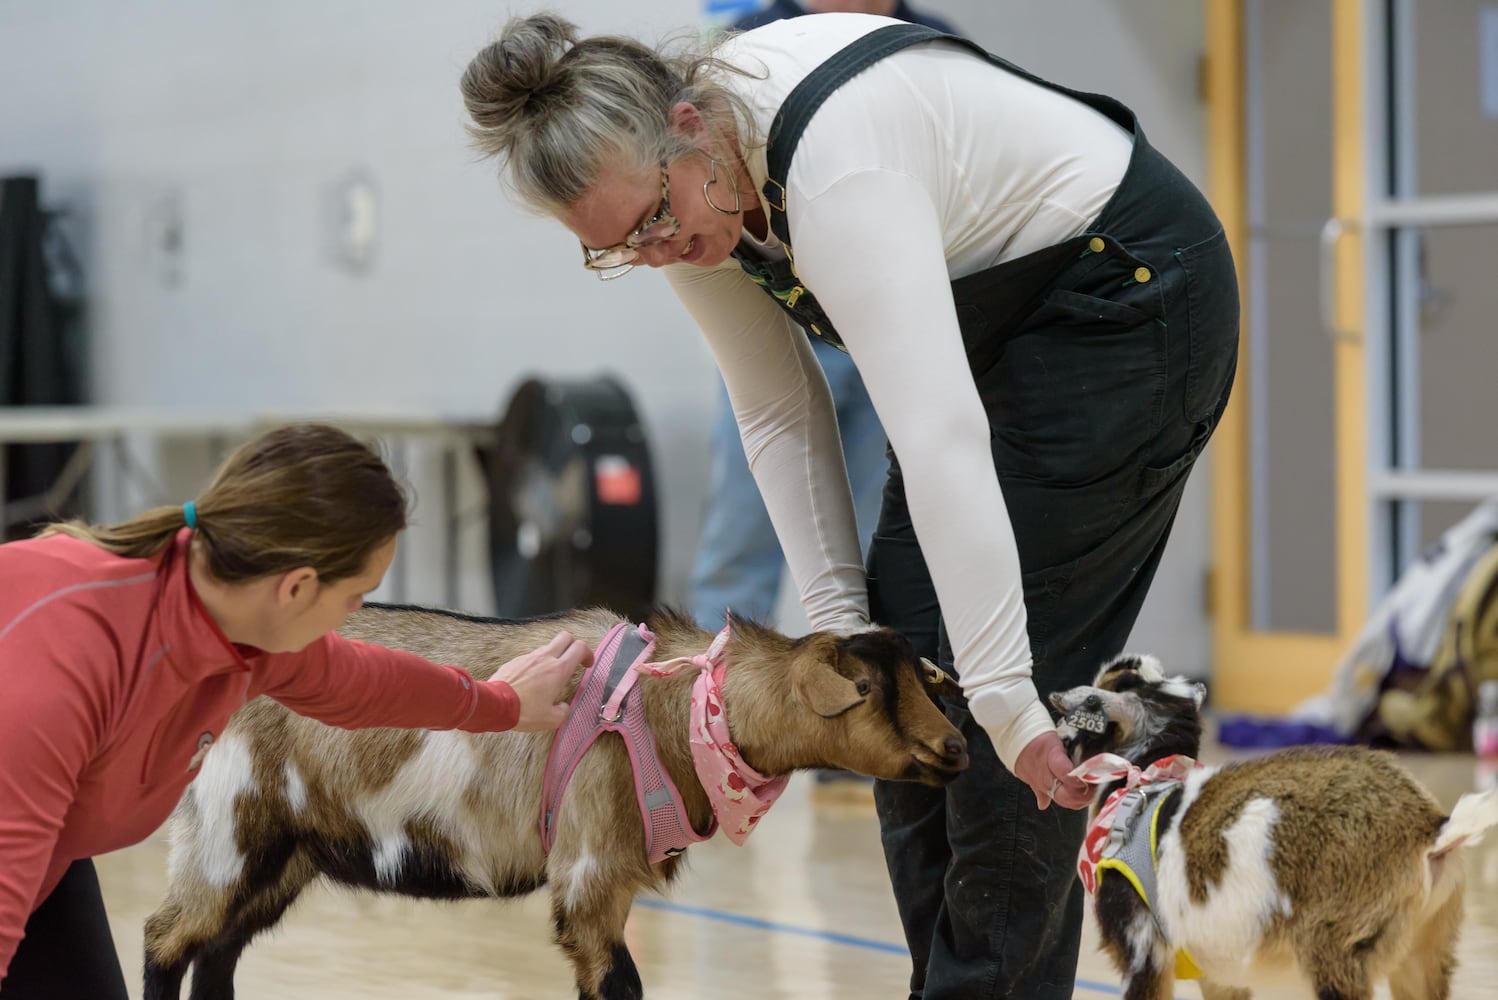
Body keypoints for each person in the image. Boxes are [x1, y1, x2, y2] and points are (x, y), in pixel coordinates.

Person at [460, 11, 1239, 998]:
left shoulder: (835, 168)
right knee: (898, 697)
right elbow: (781, 414)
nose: (655, 253)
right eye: (617, 249)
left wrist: (1007, 701)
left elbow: (939, 435)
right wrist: (841, 638)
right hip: (1007, 336)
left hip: (1129, 308)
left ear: (690, 126)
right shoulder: (681, 194)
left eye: (653, 222)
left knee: (1010, 721)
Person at [0, 423, 590, 998]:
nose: (359, 613)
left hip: (46, 863)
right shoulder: (61, 673)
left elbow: (367, 682)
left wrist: (502, 703)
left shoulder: (244, 632)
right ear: (296, 587)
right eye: (357, 597)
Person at [687, 0, 959, 637]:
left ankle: (869, 684)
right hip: (775, 326)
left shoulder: (932, 39)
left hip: (894, 327)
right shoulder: (745, 40)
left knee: (882, 534)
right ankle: (712, 699)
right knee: (742, 530)